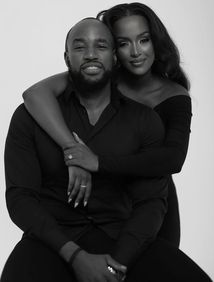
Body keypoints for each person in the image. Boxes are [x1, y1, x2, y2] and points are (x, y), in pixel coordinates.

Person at [2, 18, 211, 282]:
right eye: (80, 47)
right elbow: (20, 199)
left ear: (113, 57)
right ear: (66, 57)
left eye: (101, 46)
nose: (90, 54)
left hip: (124, 238)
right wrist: (75, 256)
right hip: (52, 240)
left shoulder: (145, 120)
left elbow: (150, 202)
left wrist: (116, 264)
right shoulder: (30, 117)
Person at [23, 2, 192, 247]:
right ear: (113, 50)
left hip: (150, 203)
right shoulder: (102, 77)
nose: (135, 52)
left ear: (156, 41)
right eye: (124, 43)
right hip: (100, 204)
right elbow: (35, 95)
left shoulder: (174, 96)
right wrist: (73, 152)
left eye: (143, 40)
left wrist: (97, 162)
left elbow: (173, 159)